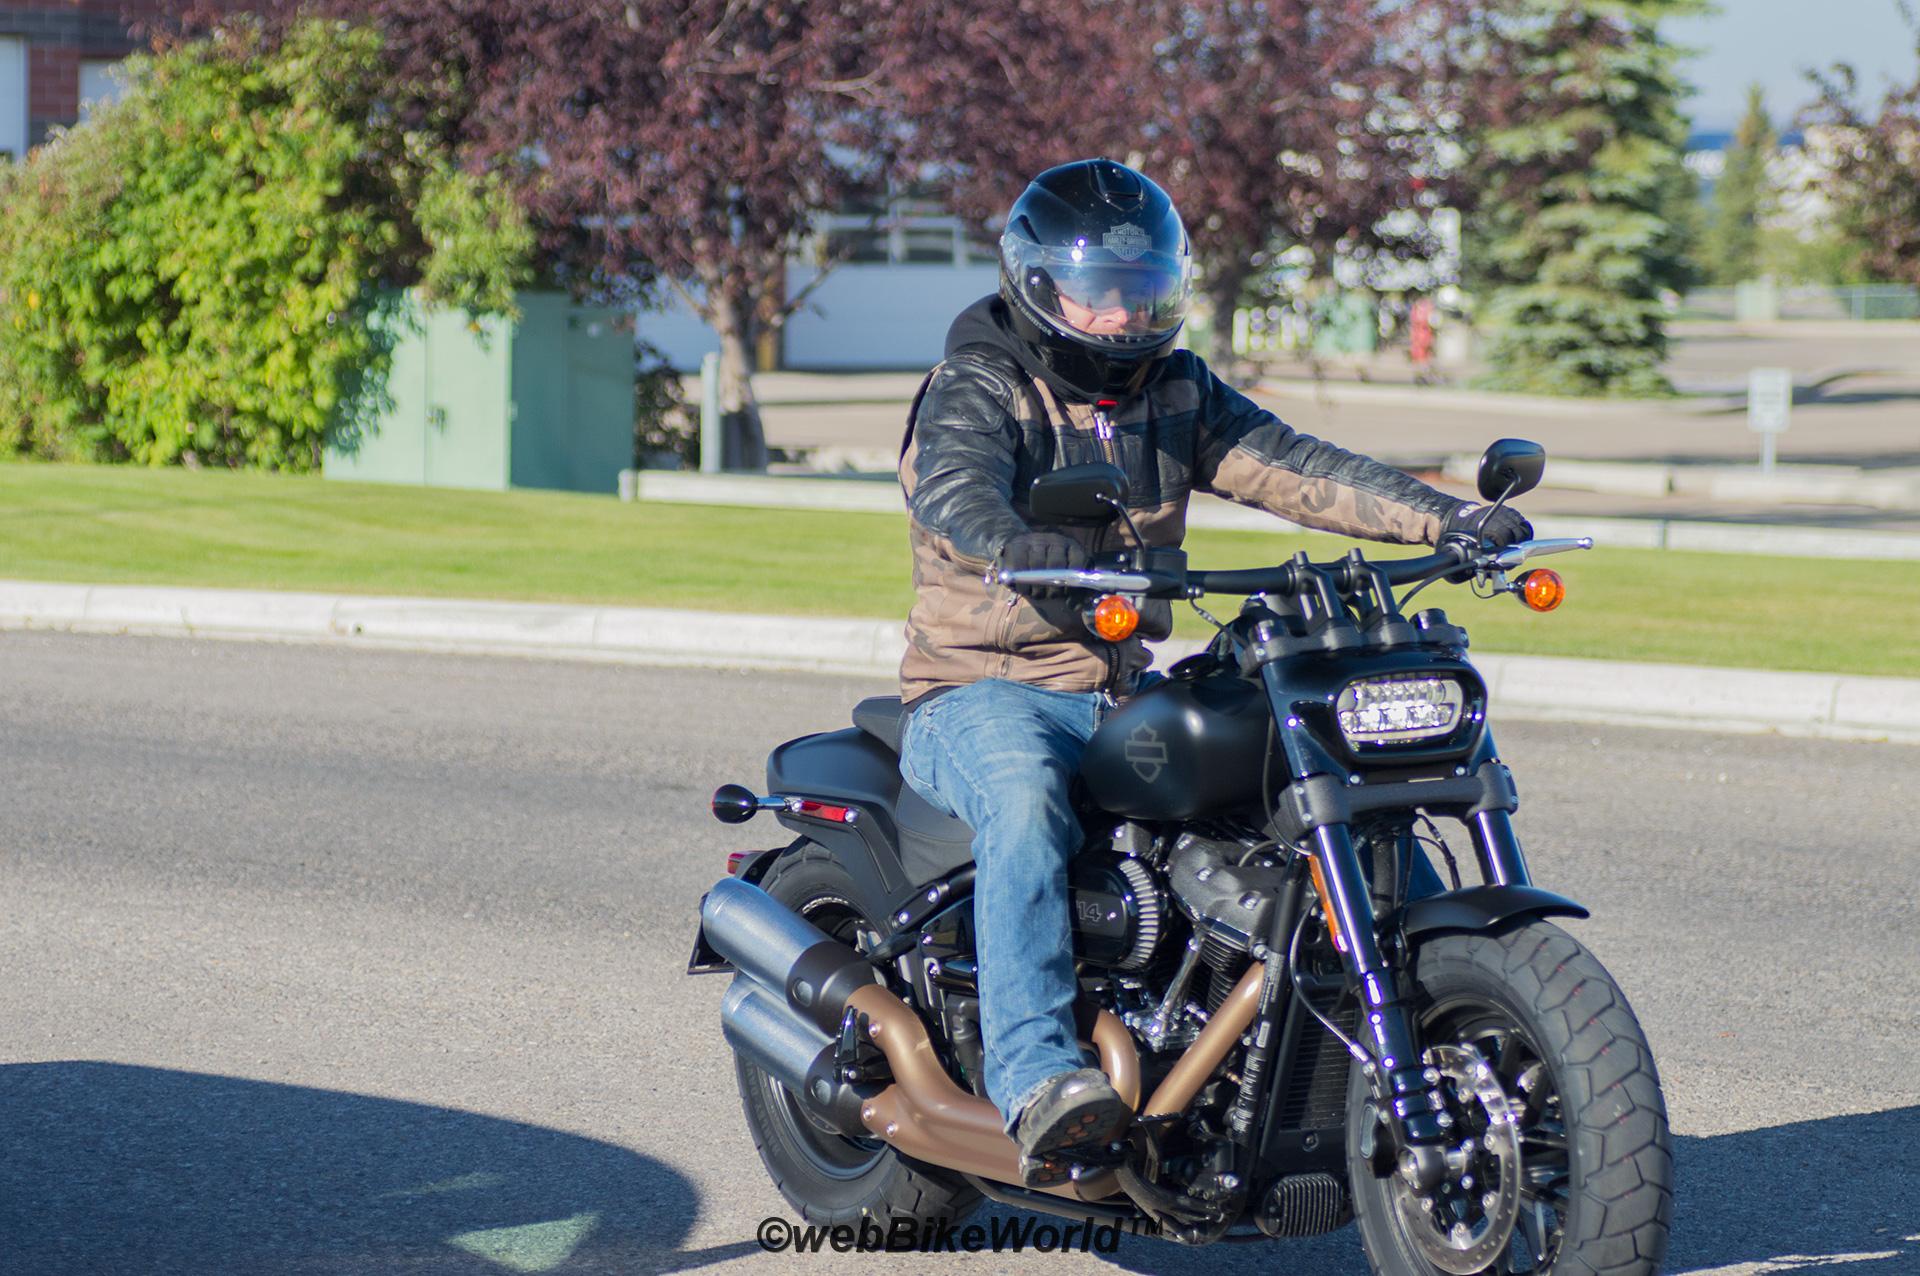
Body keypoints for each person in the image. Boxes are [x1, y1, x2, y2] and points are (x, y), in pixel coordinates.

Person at [893, 158, 1529, 1187]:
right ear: (1039, 285)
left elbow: (1295, 465)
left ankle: (1416, 1006)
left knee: (1287, 767)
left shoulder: (1173, 388)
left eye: (1142, 292)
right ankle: (1035, 1073)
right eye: (1100, 295)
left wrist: (1450, 519)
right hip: (984, 688)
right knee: (1022, 799)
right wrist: (1020, 541)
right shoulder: (980, 381)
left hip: (1115, 691)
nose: (1122, 317)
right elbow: (953, 488)